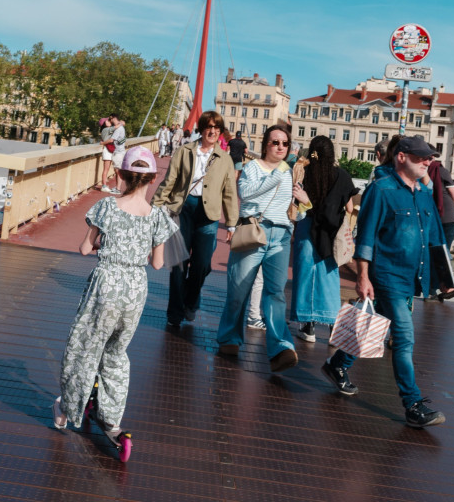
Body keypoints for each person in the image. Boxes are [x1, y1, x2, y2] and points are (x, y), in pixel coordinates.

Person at [321, 135, 447, 429]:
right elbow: (365, 237)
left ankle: (338, 364)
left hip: (411, 276)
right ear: (401, 157)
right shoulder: (381, 189)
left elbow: (435, 238)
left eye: (430, 158)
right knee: (404, 336)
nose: (428, 162)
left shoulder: (424, 193)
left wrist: (445, 278)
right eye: (421, 157)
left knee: (373, 325)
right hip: (387, 273)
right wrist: (363, 276)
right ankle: (412, 404)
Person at [53, 146, 172, 446]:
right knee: (117, 353)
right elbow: (157, 263)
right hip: (135, 289)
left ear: (120, 174)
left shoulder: (106, 207)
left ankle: (67, 408)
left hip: (106, 284)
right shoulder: (157, 216)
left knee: (84, 348)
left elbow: (84, 248)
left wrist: (106, 246)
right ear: (153, 179)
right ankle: (113, 419)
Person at [216, 124, 298, 372]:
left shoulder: (288, 172)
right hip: (254, 230)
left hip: (280, 235)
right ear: (266, 145)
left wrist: (303, 207)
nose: (281, 147)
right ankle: (230, 337)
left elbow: (288, 203)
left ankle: (280, 348)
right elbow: (247, 193)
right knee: (239, 289)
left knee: (275, 293)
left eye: (285, 143)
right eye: (275, 142)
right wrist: (278, 173)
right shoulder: (253, 167)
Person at [153, 111, 238, 328]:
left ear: (220, 132)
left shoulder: (225, 159)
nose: (212, 131)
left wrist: (231, 223)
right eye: (209, 127)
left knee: (201, 266)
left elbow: (229, 192)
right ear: (201, 128)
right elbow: (169, 180)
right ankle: (174, 313)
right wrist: (155, 207)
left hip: (208, 214)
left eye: (217, 128)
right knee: (179, 264)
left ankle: (190, 302)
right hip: (184, 209)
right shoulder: (184, 151)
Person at [291, 136, 357, 343]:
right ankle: (332, 328)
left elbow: (298, 204)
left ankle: (308, 326)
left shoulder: (306, 173)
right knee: (329, 279)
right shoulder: (343, 176)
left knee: (305, 276)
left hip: (308, 229)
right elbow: (348, 208)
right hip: (330, 233)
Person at [427, 158, 454, 252]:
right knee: (443, 254)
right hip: (447, 219)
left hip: (432, 219)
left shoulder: (420, 171)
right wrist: (446, 212)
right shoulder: (441, 171)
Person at [99, 117, 116, 191]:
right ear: (104, 124)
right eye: (107, 121)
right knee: (106, 169)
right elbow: (111, 140)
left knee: (108, 169)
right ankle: (104, 186)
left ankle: (105, 185)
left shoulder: (108, 129)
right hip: (107, 151)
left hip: (110, 150)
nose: (109, 121)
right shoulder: (106, 129)